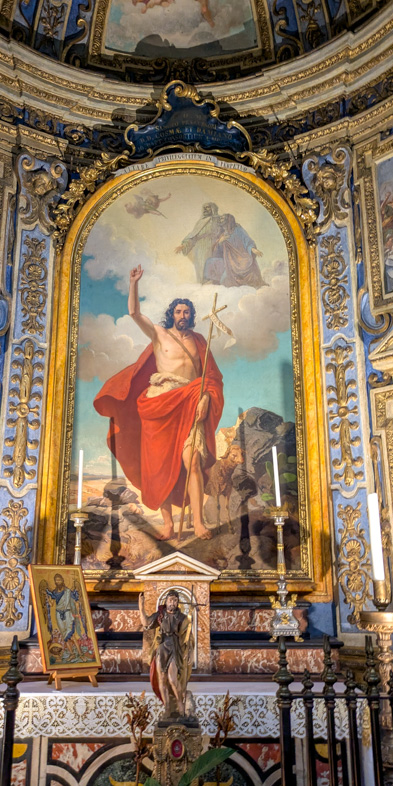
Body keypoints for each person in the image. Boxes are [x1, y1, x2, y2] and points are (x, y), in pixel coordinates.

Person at [93, 265, 224, 541]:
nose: (182, 315)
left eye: (186, 312)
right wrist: (133, 283)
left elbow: (211, 378)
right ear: (171, 314)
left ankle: (198, 522)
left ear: (191, 316)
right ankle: (167, 525)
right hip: (160, 402)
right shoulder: (159, 335)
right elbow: (134, 313)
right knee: (159, 466)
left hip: (190, 401)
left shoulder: (200, 341)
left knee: (193, 460)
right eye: (178, 311)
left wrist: (205, 397)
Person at [138, 589, 193, 717]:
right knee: (162, 679)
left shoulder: (182, 617)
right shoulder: (160, 615)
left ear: (178, 603)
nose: (172, 603)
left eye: (175, 600)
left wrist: (190, 651)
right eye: (170, 600)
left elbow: (188, 636)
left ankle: (180, 706)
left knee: (173, 679)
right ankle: (167, 708)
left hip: (174, 648)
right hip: (162, 648)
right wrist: (141, 606)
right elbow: (146, 622)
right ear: (166, 601)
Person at [203, 212, 265, 288]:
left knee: (224, 281)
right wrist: (220, 242)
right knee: (209, 261)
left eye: (222, 218)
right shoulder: (223, 234)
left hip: (240, 259)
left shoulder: (238, 230)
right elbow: (217, 252)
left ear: (228, 220)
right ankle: (210, 281)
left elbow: (246, 240)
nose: (220, 220)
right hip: (228, 260)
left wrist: (253, 249)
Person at [175, 202, 225, 283]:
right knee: (201, 267)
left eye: (208, 207)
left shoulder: (220, 220)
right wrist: (183, 245)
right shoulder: (201, 222)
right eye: (204, 207)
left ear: (213, 208)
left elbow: (227, 230)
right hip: (200, 249)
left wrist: (222, 238)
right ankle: (203, 285)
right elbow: (193, 235)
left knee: (214, 266)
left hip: (215, 246)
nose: (205, 209)